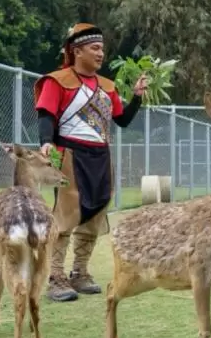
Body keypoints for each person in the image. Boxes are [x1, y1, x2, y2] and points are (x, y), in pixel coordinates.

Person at [34, 23, 149, 302]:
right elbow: (46, 114)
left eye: (102, 48)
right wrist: (46, 142)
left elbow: (121, 120)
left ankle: (80, 271)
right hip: (70, 154)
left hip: (101, 155)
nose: (101, 54)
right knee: (66, 212)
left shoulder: (107, 87)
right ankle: (56, 275)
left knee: (96, 212)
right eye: (95, 48)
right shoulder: (57, 80)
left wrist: (136, 97)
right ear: (77, 51)